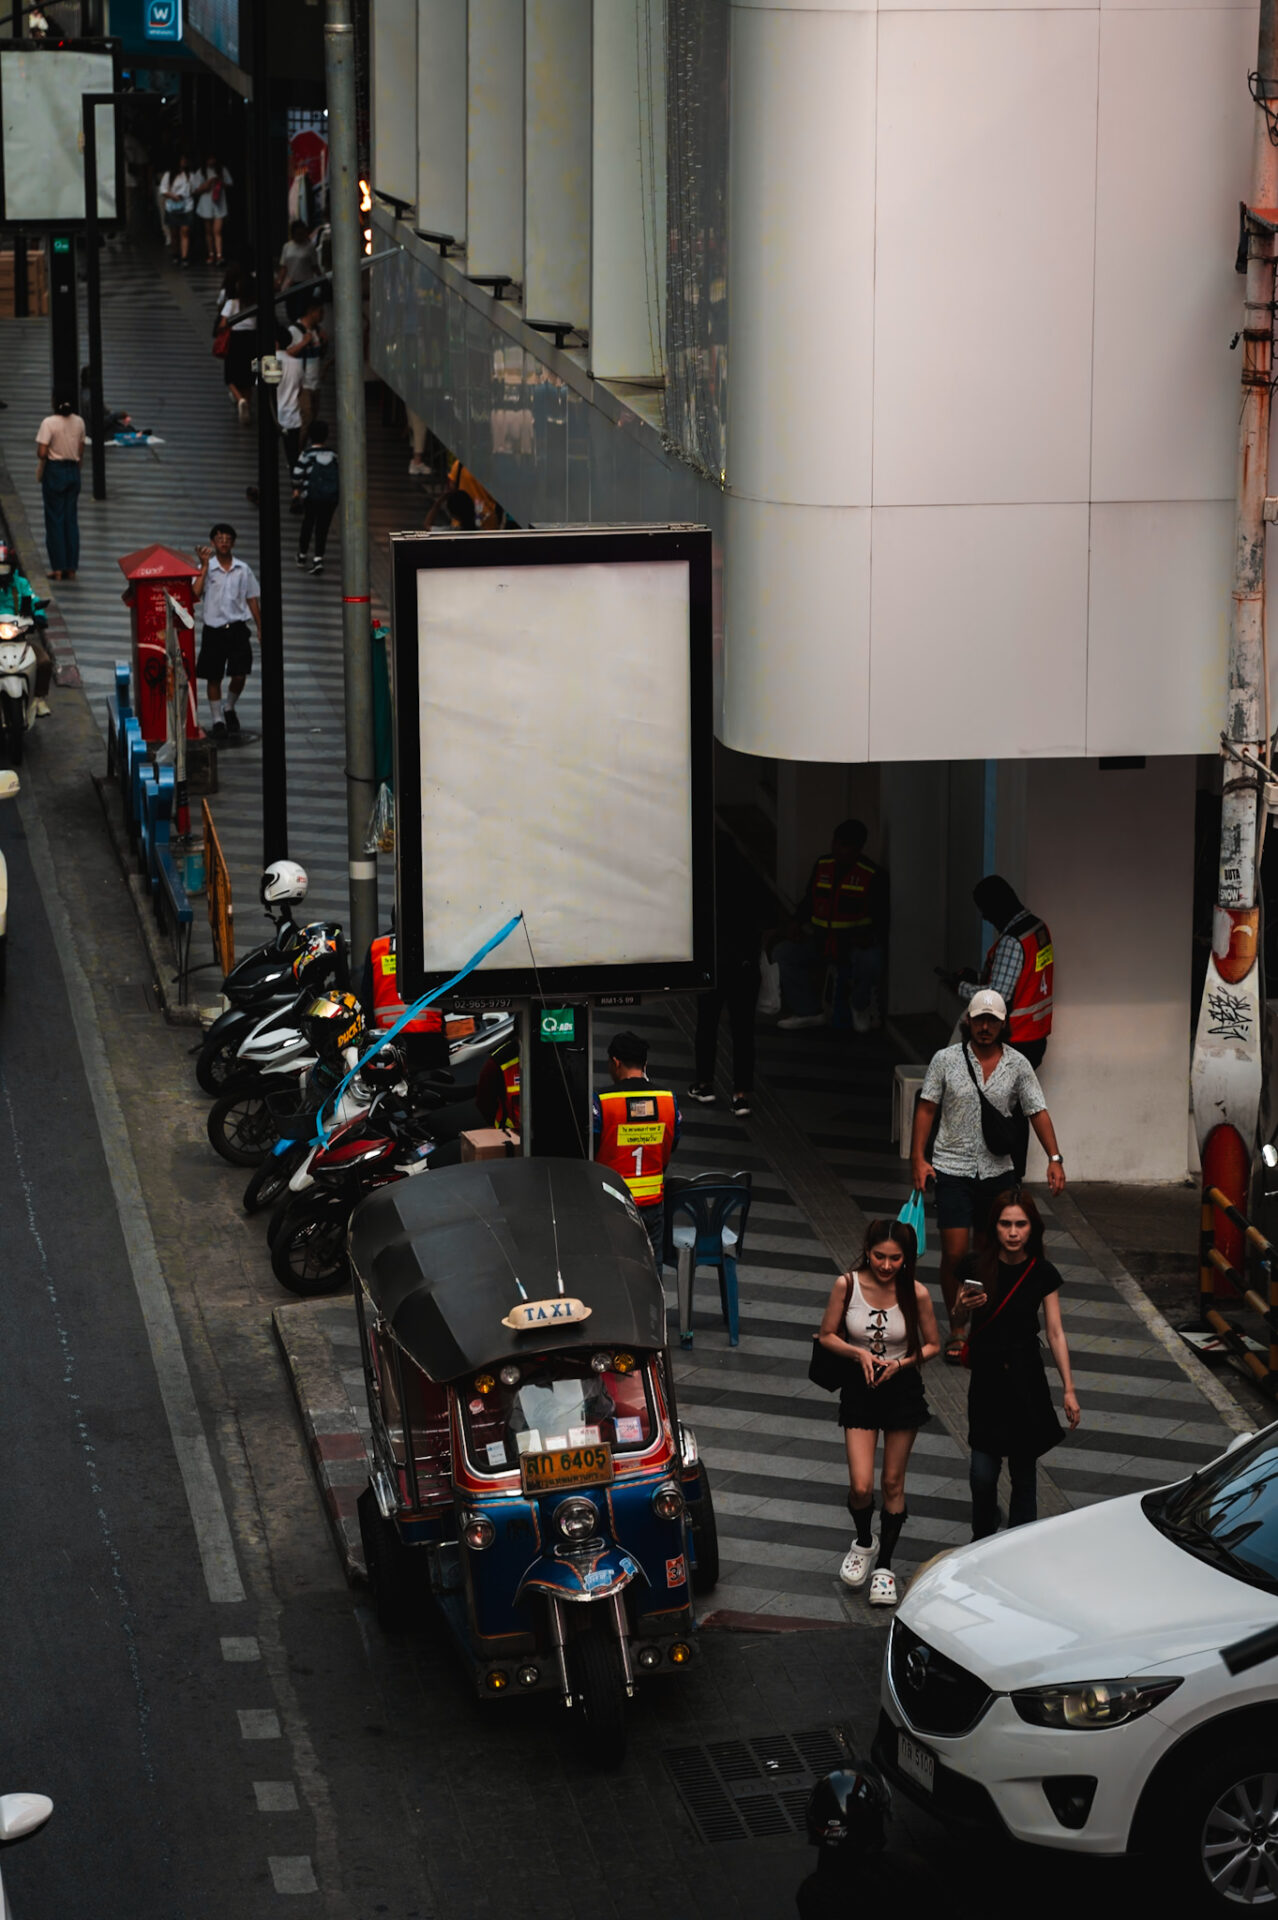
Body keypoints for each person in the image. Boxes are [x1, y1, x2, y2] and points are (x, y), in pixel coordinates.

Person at [911, 987, 1066, 1365]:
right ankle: (958, 1325)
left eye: (992, 1021)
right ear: (968, 1020)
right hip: (952, 1167)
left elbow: (1037, 1111)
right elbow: (927, 1108)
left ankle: (979, 1320)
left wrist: (1055, 1157)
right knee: (954, 1251)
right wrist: (918, 1158)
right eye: (979, 1019)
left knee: (986, 1251)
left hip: (997, 1170)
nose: (984, 1027)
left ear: (1002, 1025)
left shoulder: (1017, 1065)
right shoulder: (945, 1060)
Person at [816, 1218, 940, 1606]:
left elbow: (934, 1344)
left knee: (892, 1483)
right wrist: (859, 1353)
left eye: (895, 1258)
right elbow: (827, 1335)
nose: (886, 1266)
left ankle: (884, 1566)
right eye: (879, 1256)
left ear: (907, 1258)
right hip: (860, 1389)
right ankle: (865, 1541)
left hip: (901, 1390)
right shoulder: (847, 1285)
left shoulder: (915, 1292)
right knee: (860, 1485)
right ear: (867, 1251)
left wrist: (901, 1365)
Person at [959, 1187, 1080, 1537]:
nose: (1013, 1232)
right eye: (1005, 1224)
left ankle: (1018, 1545)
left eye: (1021, 1224)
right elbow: (956, 1311)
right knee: (982, 1475)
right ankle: (982, 1537)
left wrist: (1069, 1390)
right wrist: (962, 1308)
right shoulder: (976, 1265)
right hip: (986, 1382)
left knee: (1024, 1474)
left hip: (1026, 1381)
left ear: (1032, 1228)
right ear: (994, 1227)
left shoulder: (1042, 1272)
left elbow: (1055, 1332)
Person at [948, 875, 1054, 1179]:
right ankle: (1012, 1178)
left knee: (1000, 1114)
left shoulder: (1012, 941)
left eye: (984, 909)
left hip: (1015, 1039)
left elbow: (998, 998)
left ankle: (1001, 1177)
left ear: (997, 906)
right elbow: (1026, 980)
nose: (984, 916)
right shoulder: (1038, 929)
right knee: (1019, 1112)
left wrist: (961, 986)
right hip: (1036, 1035)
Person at [775, 819, 887, 1033]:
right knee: (783, 953)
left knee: (872, 960)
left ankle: (859, 1005)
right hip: (821, 941)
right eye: (837, 843)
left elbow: (881, 920)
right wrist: (796, 923)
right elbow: (809, 901)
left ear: (858, 849)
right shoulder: (823, 865)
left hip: (853, 945)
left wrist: (868, 937)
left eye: (846, 846)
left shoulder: (872, 875)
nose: (839, 850)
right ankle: (808, 1011)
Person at [687, 829, 766, 1118]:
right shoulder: (750, 877)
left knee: (707, 1024)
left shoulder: (707, 881)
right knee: (743, 1030)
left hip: (714, 967)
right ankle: (741, 1095)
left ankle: (705, 1084)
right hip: (745, 967)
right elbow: (765, 918)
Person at [592, 1031, 681, 1268]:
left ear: (616, 1062)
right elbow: (672, 1144)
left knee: (617, 1269)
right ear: (645, 1064)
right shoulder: (667, 1100)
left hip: (613, 1203)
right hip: (653, 1203)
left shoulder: (602, 1102)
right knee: (652, 1269)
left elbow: (590, 1148)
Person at [192, 524, 261, 742]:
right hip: (214, 629)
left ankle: (229, 706)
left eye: (227, 538)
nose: (223, 542)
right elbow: (195, 592)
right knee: (214, 676)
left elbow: (252, 598)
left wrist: (260, 626)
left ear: (232, 542)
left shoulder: (243, 568)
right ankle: (217, 719)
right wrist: (203, 566)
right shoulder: (207, 567)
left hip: (238, 628)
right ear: (213, 542)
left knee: (239, 673)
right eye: (219, 538)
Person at [361, 928, 447, 1072]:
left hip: (387, 1037)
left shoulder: (378, 945)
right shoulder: (433, 941)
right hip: (429, 1036)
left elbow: (367, 997)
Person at [35, 395, 84, 581]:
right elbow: (80, 450)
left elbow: (41, 452)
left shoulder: (49, 423)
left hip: (55, 472)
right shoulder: (79, 422)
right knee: (71, 520)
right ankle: (71, 567)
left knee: (55, 519)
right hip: (73, 471)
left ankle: (58, 568)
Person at [277, 302, 322, 472]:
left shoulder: (269, 361)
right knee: (306, 419)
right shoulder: (293, 362)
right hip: (292, 414)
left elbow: (261, 384)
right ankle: (296, 469)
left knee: (308, 420)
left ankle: (295, 462)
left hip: (282, 413)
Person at [292, 422, 340, 575]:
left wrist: (296, 491)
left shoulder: (306, 454)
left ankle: (302, 555)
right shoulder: (333, 455)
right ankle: (318, 558)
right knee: (323, 527)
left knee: (308, 523)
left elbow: (297, 475)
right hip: (330, 498)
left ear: (310, 436)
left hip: (311, 497)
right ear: (326, 436)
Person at [217, 265, 257, 424]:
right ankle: (247, 401)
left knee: (231, 375)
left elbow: (222, 324)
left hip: (236, 339)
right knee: (249, 376)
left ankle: (240, 400)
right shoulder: (255, 304)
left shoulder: (232, 303)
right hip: (252, 340)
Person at [276, 219, 322, 320]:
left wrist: (321, 279)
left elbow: (314, 266)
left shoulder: (309, 247)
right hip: (291, 283)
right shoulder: (287, 247)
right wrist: (279, 282)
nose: (300, 236)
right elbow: (284, 266)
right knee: (291, 309)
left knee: (301, 309)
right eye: (297, 234)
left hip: (305, 283)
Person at [158, 155, 197, 265]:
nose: (184, 161)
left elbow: (194, 190)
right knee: (174, 234)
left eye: (186, 159)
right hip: (172, 207)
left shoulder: (190, 175)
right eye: (182, 159)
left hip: (187, 206)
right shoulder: (168, 175)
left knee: (185, 232)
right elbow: (163, 190)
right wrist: (173, 196)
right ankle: (176, 253)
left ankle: (184, 257)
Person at [194, 154, 231, 266]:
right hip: (206, 203)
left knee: (217, 231)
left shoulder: (222, 170)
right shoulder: (201, 171)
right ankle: (211, 253)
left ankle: (219, 255)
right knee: (208, 231)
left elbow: (229, 183)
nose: (211, 161)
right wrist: (208, 184)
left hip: (219, 203)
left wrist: (220, 182)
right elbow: (196, 189)